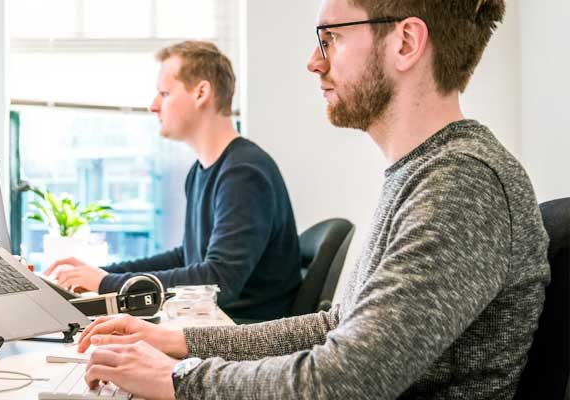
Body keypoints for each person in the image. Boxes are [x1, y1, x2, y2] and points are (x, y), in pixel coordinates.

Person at [73, 0, 551, 399]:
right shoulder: (422, 173)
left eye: (332, 38)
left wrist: (176, 379)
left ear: (405, 43)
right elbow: (336, 327)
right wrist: (176, 340)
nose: (314, 61)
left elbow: (347, 378)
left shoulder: (461, 182)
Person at [45, 41, 302, 322]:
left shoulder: (244, 173)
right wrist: (104, 274)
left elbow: (219, 282)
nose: (153, 106)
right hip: (213, 324)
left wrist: (107, 284)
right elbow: (188, 257)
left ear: (201, 93)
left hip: (241, 335)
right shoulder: (202, 171)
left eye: (165, 93)